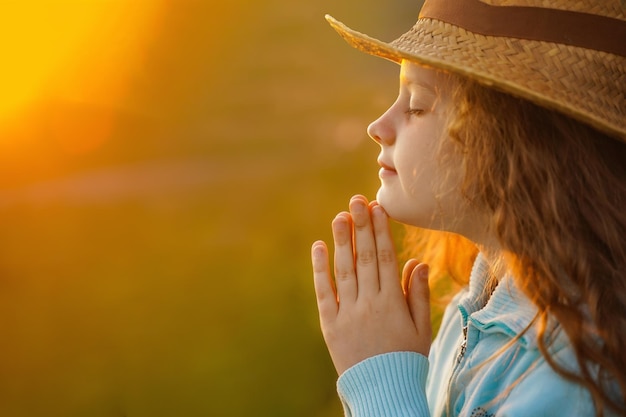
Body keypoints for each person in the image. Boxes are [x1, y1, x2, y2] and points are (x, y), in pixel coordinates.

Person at [311, 0, 626, 416]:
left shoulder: (577, 377)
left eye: (417, 104)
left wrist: (380, 382)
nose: (379, 126)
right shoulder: (470, 311)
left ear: (514, 141)